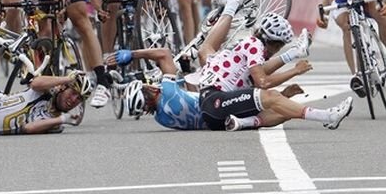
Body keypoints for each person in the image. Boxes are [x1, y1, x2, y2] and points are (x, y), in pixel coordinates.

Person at [196, 13, 353, 131]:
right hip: (215, 101)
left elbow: (258, 73)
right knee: (273, 96)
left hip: (217, 110)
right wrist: (294, 71)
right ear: (271, 42)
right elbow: (262, 82)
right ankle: (328, 115)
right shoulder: (254, 44)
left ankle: (242, 123)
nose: (275, 52)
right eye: (278, 47)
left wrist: (284, 94)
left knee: (285, 109)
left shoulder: (250, 44)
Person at [107, 46, 307, 131]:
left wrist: (186, 73)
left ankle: (282, 102)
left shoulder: (161, 119)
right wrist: (132, 54)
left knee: (262, 119)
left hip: (213, 121)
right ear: (149, 89)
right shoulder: (166, 92)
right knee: (218, 56)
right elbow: (164, 54)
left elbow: (190, 97)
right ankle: (291, 57)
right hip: (218, 102)